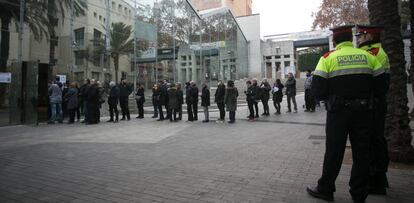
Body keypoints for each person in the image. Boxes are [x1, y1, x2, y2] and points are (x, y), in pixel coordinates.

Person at [306, 25, 384, 203]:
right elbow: (382, 86)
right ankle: (359, 193)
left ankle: (326, 189)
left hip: (337, 113)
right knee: (361, 152)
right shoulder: (368, 57)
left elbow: (318, 90)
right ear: (352, 39)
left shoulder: (327, 58)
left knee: (334, 151)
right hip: (364, 112)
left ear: (335, 40)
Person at [356, 24, 390, 195]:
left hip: (374, 104)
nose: (358, 39)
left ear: (369, 37)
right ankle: (378, 178)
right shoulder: (376, 53)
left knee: (373, 141)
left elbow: (376, 84)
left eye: (361, 36)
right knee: (376, 140)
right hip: (376, 103)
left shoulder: (374, 54)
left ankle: (376, 179)